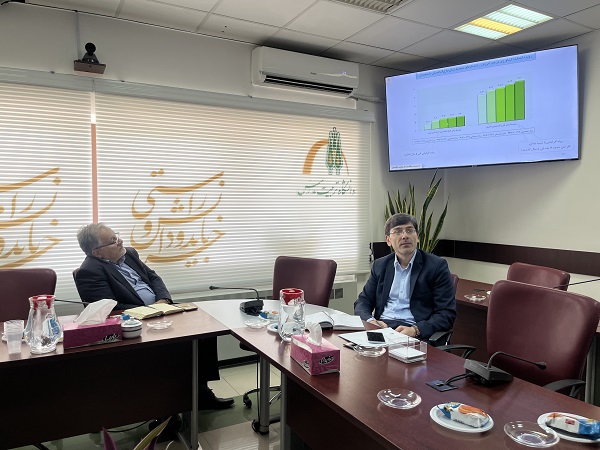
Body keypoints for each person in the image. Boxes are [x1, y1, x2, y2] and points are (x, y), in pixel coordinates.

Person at [74, 223, 234, 413]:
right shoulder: (89, 272)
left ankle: (201, 393)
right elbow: (110, 309)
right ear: (97, 252)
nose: (120, 241)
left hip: (161, 310)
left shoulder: (129, 254)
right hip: (136, 323)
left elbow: (153, 277)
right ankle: (165, 409)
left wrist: (163, 300)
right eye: (113, 241)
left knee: (205, 331)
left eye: (116, 235)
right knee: (172, 349)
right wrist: (150, 309)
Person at [354, 213, 456, 340]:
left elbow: (446, 314)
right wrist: (371, 322)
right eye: (398, 231)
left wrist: (416, 330)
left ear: (417, 237)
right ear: (388, 240)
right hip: (383, 329)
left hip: (415, 332)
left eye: (409, 230)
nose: (405, 236)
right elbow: (362, 302)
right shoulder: (380, 265)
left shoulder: (436, 266)